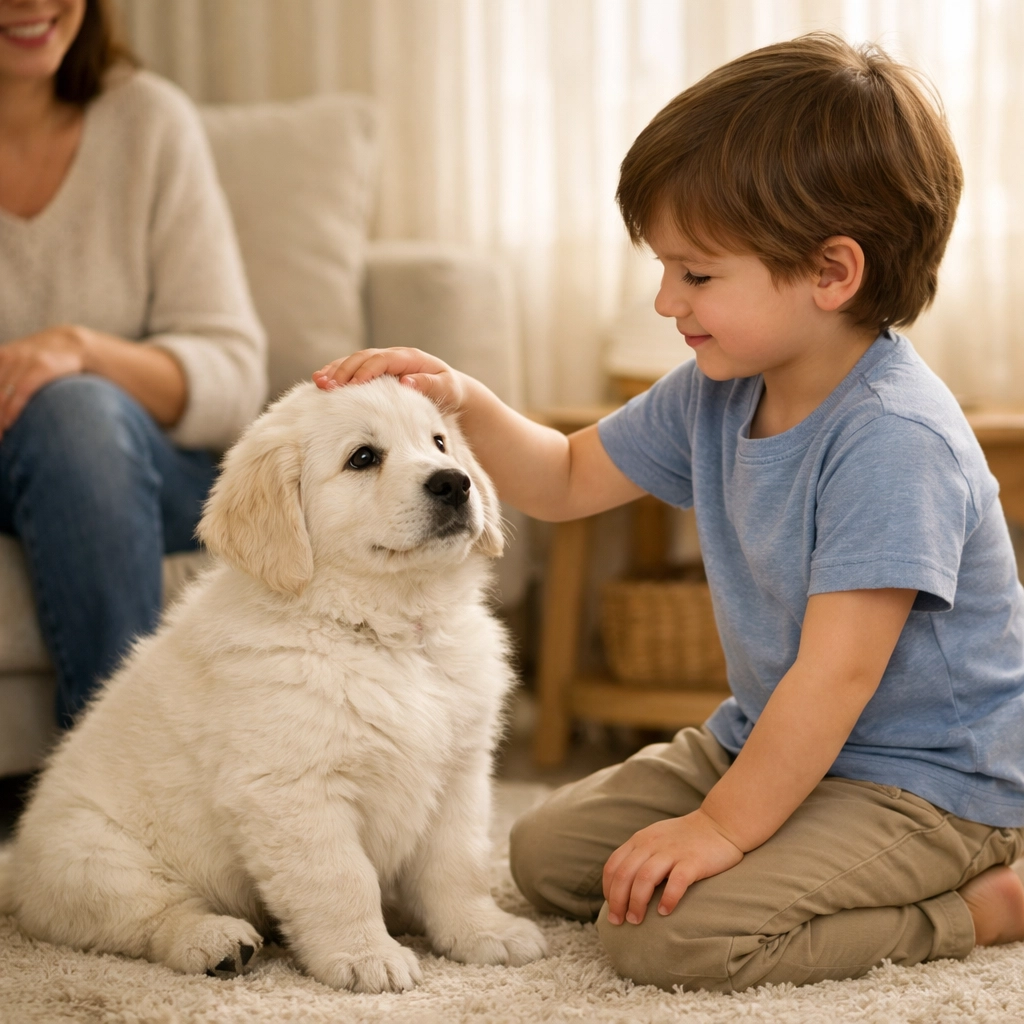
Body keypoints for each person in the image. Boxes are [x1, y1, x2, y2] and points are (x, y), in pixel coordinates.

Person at [312, 33, 1024, 992]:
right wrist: (461, 399)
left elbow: (836, 677)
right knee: (547, 856)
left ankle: (985, 905)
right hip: (765, 737)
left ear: (831, 273)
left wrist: (720, 827)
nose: (664, 300)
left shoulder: (896, 440)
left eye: (696, 275)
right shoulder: (718, 387)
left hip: (925, 783)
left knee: (669, 938)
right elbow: (566, 477)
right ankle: (769, 829)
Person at [0, 0, 266, 730]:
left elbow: (234, 373)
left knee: (76, 412)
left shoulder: (149, 122)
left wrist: (80, 350)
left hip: (128, 471)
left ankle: (117, 768)